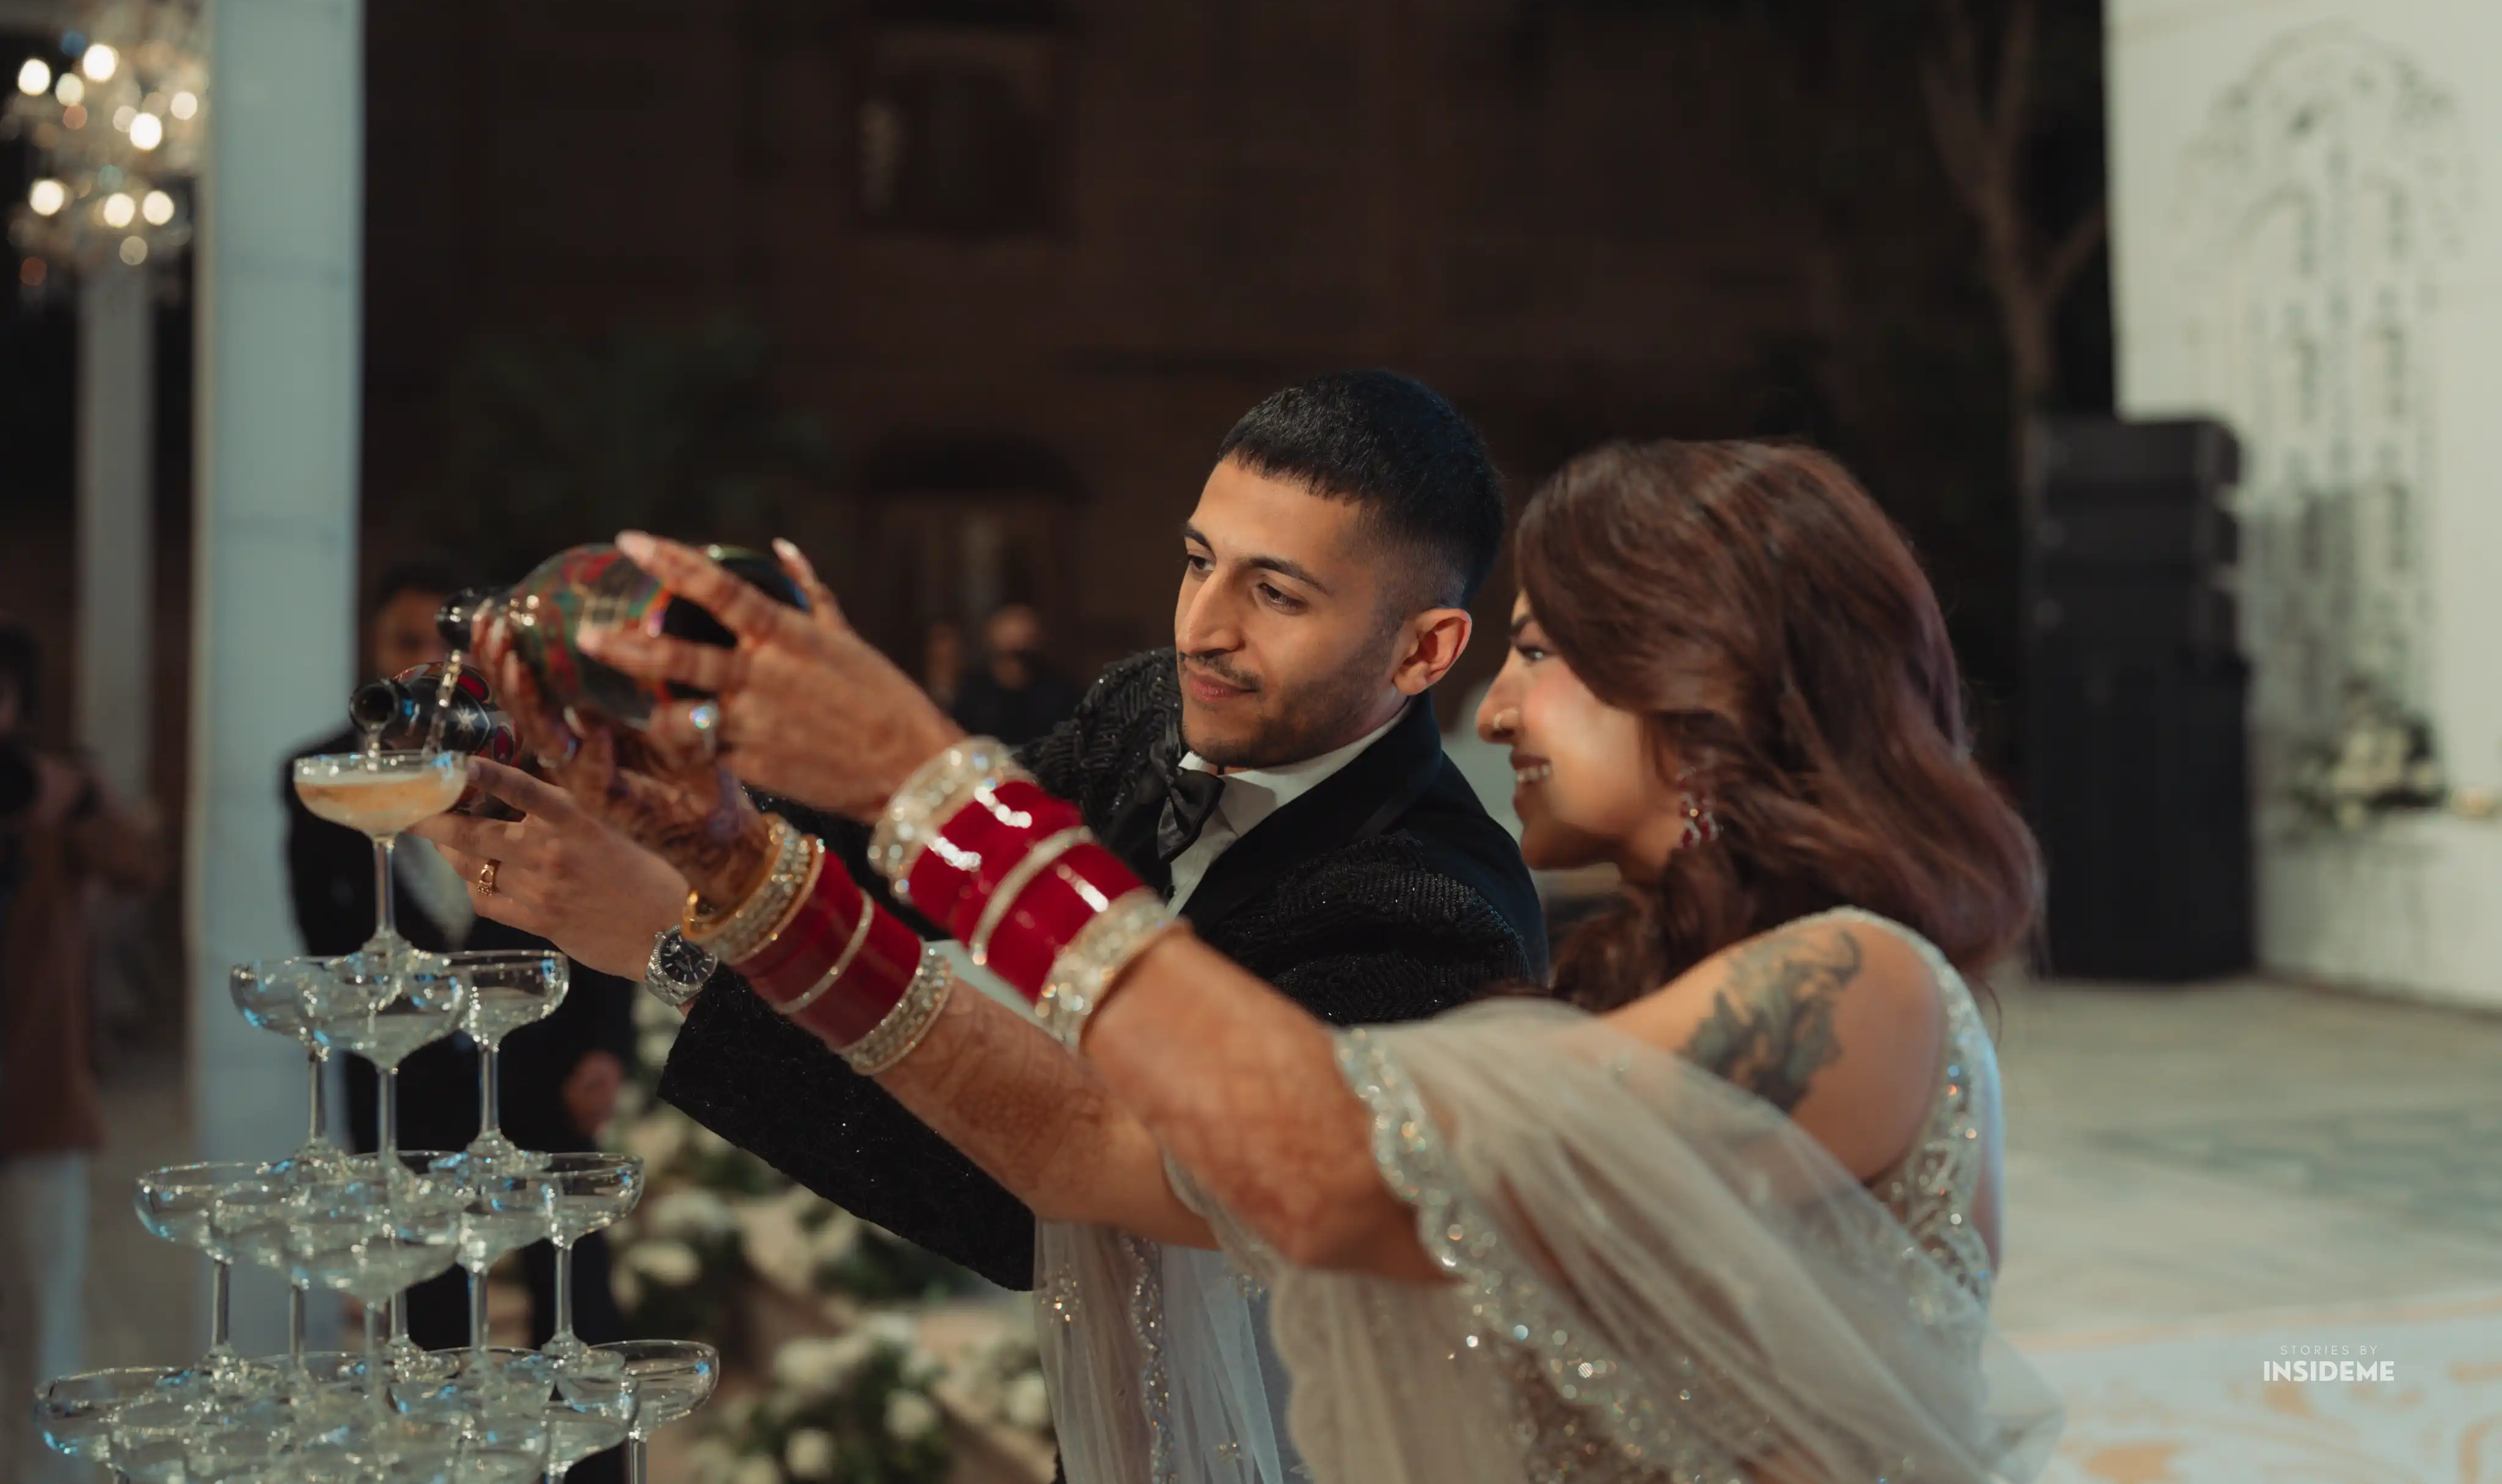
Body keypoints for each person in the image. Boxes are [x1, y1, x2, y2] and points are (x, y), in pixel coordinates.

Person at [473, 438, 2063, 1482]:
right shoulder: (1610, 1006)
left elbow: (1328, 1171)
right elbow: (1103, 1153)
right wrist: (737, 878)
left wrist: (925, 786)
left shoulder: (1862, 987)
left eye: (1539, 652)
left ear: (1701, 678)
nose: (1500, 709)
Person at [416, 371, 1546, 1300]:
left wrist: (681, 939)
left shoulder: (1440, 916)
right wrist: (670, 808)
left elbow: (1046, 1198)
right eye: (1199, 561)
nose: (1202, 628)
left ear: (1426, 651)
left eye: (1278, 595)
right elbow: (911, 874)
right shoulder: (1147, 709)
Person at [282, 557, 635, 1366]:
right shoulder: (324, 777)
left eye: (446, 646)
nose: (429, 665)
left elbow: (597, 910)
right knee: (427, 1315)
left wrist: (608, 1045)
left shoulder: (538, 764)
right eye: (406, 641)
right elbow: (325, 937)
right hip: (406, 1078)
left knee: (576, 1296)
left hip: (542, 1060)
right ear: (375, 648)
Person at [0, 624, 163, 1484]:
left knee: (45, 1319)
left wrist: (76, 801)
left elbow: (138, 866)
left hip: (38, 1092)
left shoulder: (54, 795)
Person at [950, 602, 1082, 746]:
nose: (1014, 666)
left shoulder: (1059, 693)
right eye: (1006, 656)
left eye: (1021, 655)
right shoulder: (973, 692)